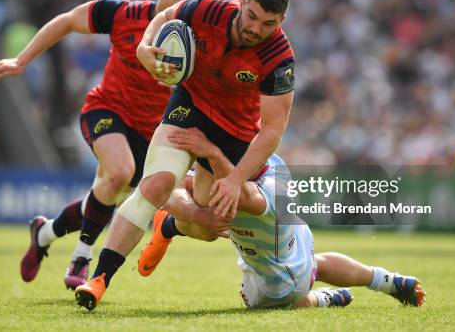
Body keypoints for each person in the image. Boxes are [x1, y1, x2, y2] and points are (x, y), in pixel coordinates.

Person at [75, 0, 297, 310]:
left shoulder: (279, 58)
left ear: (281, 22)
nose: (255, 28)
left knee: (210, 226)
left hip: (235, 136)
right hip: (189, 107)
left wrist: (236, 179)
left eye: (268, 24)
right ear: (241, 2)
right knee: (158, 183)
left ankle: (170, 225)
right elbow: (164, 17)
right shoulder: (208, 6)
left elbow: (272, 131)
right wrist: (144, 46)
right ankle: (99, 278)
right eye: (251, 16)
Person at [0, 0, 203, 289]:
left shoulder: (200, 40)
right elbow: (68, 21)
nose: (178, 5)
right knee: (117, 173)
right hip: (107, 110)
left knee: (105, 196)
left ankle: (44, 232)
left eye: (187, 0)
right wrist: (22, 60)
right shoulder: (122, 13)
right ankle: (82, 255)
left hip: (152, 134)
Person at [145, 127, 426, 309]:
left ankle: (323, 299)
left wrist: (210, 151)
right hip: (290, 250)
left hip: (278, 280)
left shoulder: (265, 192)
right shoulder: (270, 163)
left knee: (292, 298)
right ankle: (391, 281)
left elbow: (238, 192)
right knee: (318, 264)